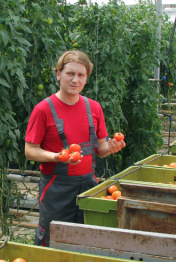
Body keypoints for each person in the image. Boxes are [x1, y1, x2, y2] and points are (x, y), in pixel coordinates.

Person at [25, 50, 126, 247]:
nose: (75, 80)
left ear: (86, 78)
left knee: (87, 239)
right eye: (70, 73)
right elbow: (30, 150)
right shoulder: (43, 109)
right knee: (54, 238)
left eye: (81, 75)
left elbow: (100, 147)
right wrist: (56, 156)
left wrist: (111, 148)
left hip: (88, 185)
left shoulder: (94, 108)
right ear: (58, 74)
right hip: (56, 187)